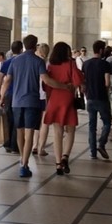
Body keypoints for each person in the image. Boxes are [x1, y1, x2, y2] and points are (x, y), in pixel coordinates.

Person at [1, 34, 73, 178]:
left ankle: (22, 160)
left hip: (16, 102)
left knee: (19, 131)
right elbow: (46, 80)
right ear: (35, 46)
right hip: (32, 102)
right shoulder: (38, 61)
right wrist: (64, 86)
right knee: (29, 134)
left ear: (24, 45)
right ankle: (24, 164)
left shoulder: (15, 60)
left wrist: (2, 96)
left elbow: (7, 80)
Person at [43, 41, 83, 175]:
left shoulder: (51, 65)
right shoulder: (70, 64)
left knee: (57, 132)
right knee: (70, 130)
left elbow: (47, 85)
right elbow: (78, 80)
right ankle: (65, 156)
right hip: (68, 97)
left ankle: (58, 163)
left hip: (54, 98)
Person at [82, 39, 112, 160]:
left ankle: (93, 152)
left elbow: (83, 82)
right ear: (100, 50)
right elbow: (107, 83)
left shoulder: (86, 64)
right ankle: (102, 143)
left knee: (92, 126)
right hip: (102, 97)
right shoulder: (105, 64)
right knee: (107, 122)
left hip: (90, 98)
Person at [0, 40, 23, 154]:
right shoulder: (22, 62)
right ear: (21, 49)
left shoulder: (6, 62)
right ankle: (14, 145)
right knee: (17, 119)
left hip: (8, 94)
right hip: (19, 94)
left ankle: (7, 143)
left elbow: (0, 78)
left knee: (8, 119)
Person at [32, 42, 50, 156]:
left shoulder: (35, 62)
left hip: (34, 95)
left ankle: (34, 145)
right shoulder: (48, 64)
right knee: (44, 122)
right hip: (45, 95)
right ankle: (41, 148)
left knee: (36, 122)